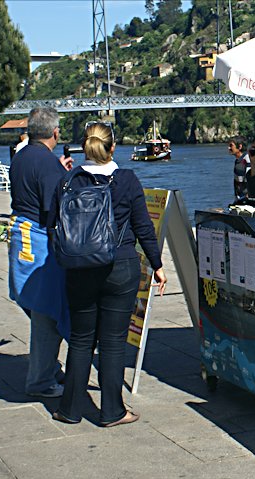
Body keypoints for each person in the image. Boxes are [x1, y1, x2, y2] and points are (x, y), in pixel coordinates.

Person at [50, 122, 167, 427]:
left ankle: (70, 409)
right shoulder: (126, 180)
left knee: (80, 339)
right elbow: (143, 227)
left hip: (79, 269)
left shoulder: (67, 181)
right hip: (120, 265)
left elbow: (53, 224)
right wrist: (157, 265)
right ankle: (113, 411)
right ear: (112, 147)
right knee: (114, 341)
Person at [8, 107, 73, 398]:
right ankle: (41, 379)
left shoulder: (21, 156)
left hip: (20, 235)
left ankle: (45, 366)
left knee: (35, 304)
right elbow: (53, 209)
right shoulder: (48, 165)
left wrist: (58, 169)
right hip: (40, 240)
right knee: (48, 310)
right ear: (55, 132)